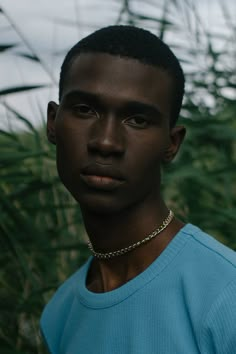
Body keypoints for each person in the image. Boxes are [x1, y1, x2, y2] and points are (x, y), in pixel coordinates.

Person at [40, 25, 236, 354]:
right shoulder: (59, 316)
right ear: (53, 123)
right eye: (85, 110)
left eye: (138, 120)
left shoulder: (225, 296)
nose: (105, 142)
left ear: (171, 145)